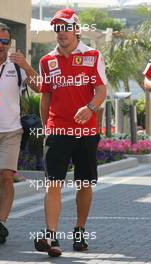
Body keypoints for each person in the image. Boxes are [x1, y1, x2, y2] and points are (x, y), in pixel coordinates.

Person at [34, 9, 107, 257]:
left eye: (65, 27)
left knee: (84, 183)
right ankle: (51, 236)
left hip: (86, 132)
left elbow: (100, 90)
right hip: (57, 130)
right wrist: (46, 130)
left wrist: (90, 108)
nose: (61, 33)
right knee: (52, 183)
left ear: (76, 29)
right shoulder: (46, 61)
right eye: (57, 28)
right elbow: (45, 96)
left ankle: (79, 230)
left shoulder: (92, 55)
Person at [0, 22, 39, 244]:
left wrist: (28, 66)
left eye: (5, 42)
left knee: (6, 176)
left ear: (9, 44)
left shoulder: (16, 66)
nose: (0, 45)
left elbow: (40, 87)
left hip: (11, 131)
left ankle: (2, 222)